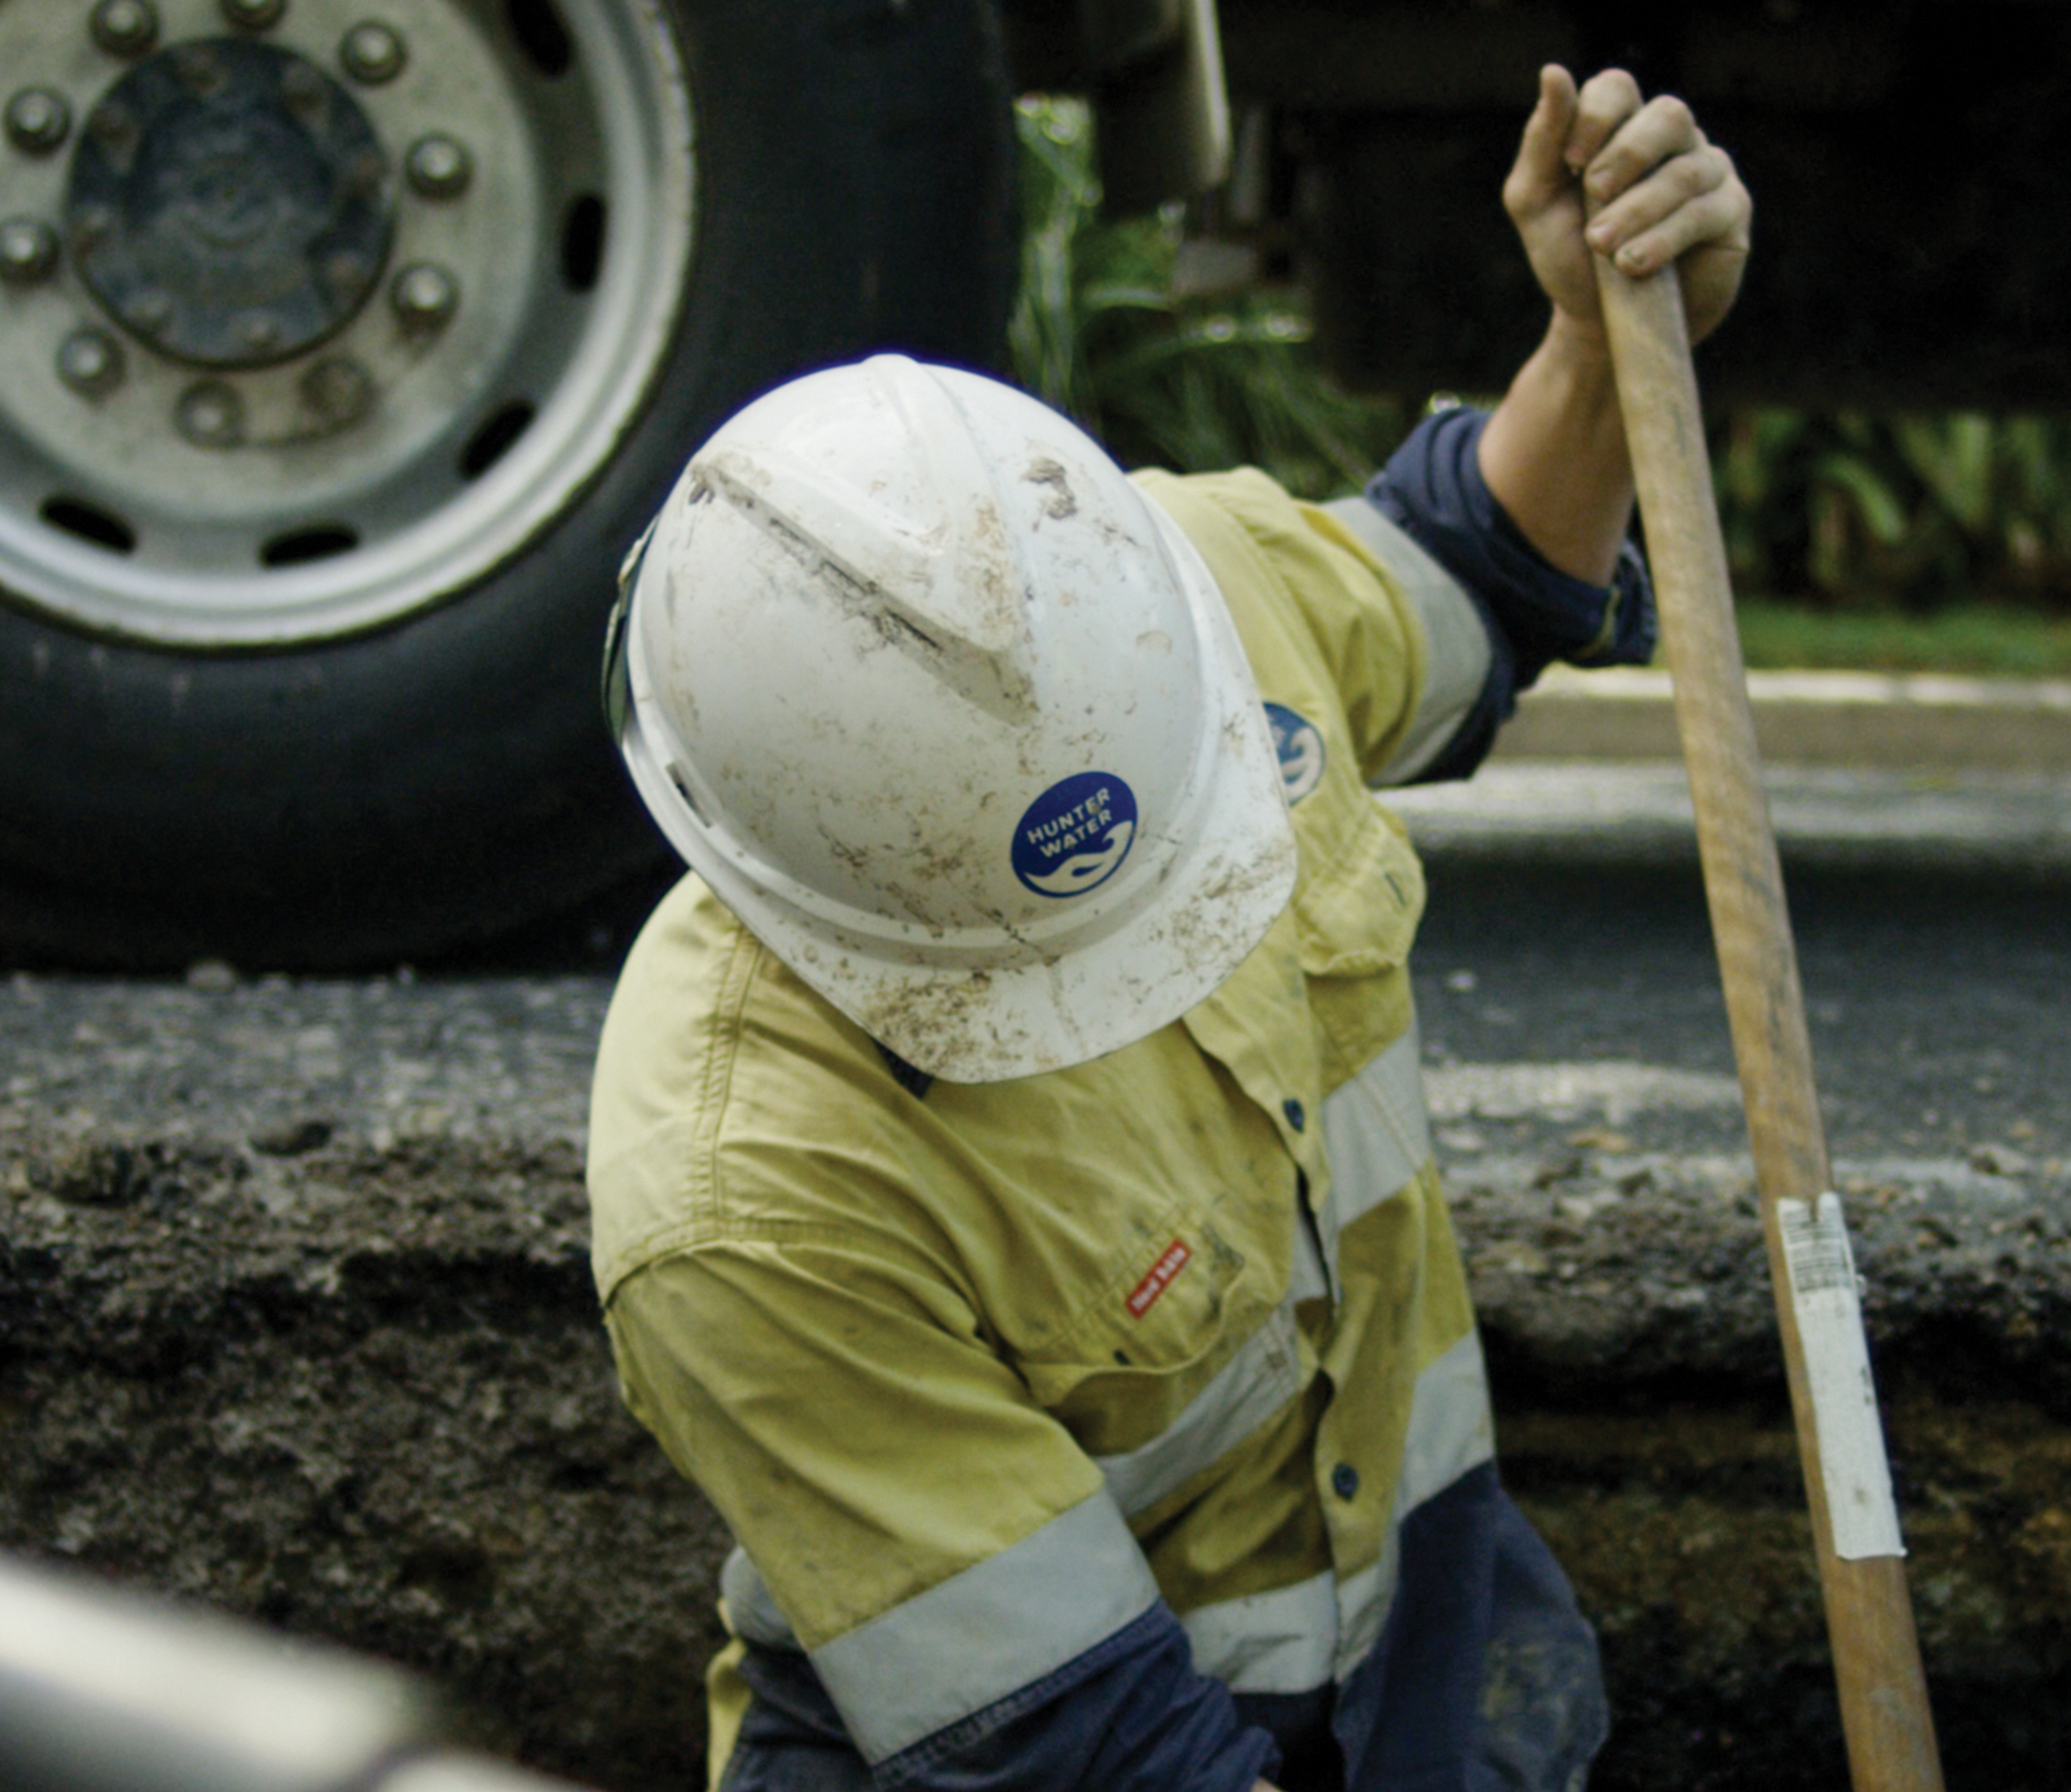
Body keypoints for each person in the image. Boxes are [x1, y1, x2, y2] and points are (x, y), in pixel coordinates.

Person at [586, 66, 1752, 1792]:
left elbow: (1487, 561)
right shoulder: (743, 1190)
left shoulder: (1197, 593)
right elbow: (1090, 1745)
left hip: (1432, 1645)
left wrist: (1599, 343)